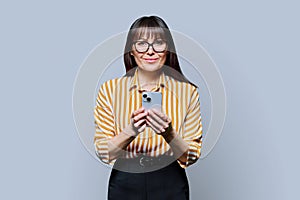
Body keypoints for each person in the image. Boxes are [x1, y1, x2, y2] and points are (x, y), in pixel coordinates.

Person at [94, 15, 203, 200]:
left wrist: (169, 133)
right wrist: (131, 131)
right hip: (126, 180)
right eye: (142, 43)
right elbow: (104, 152)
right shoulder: (110, 90)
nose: (150, 51)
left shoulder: (188, 92)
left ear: (167, 49)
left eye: (158, 43)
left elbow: (191, 156)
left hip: (170, 179)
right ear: (131, 50)